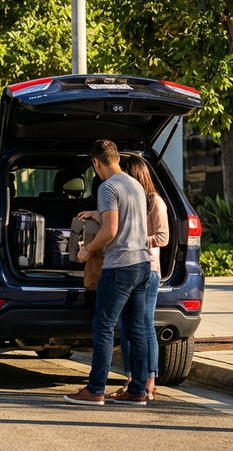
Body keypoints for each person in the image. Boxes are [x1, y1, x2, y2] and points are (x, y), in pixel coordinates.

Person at [65, 140, 152, 407]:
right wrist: (98, 213)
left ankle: (95, 389)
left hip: (119, 267)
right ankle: (137, 389)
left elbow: (111, 231)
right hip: (142, 264)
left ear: (96, 163)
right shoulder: (133, 184)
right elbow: (124, 219)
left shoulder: (107, 187)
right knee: (136, 329)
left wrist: (87, 250)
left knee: (103, 327)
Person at [114, 154, 170, 401]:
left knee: (144, 325)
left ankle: (149, 381)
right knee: (126, 327)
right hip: (130, 266)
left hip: (149, 269)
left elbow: (163, 237)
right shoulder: (132, 202)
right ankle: (132, 379)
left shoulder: (155, 202)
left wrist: (136, 240)